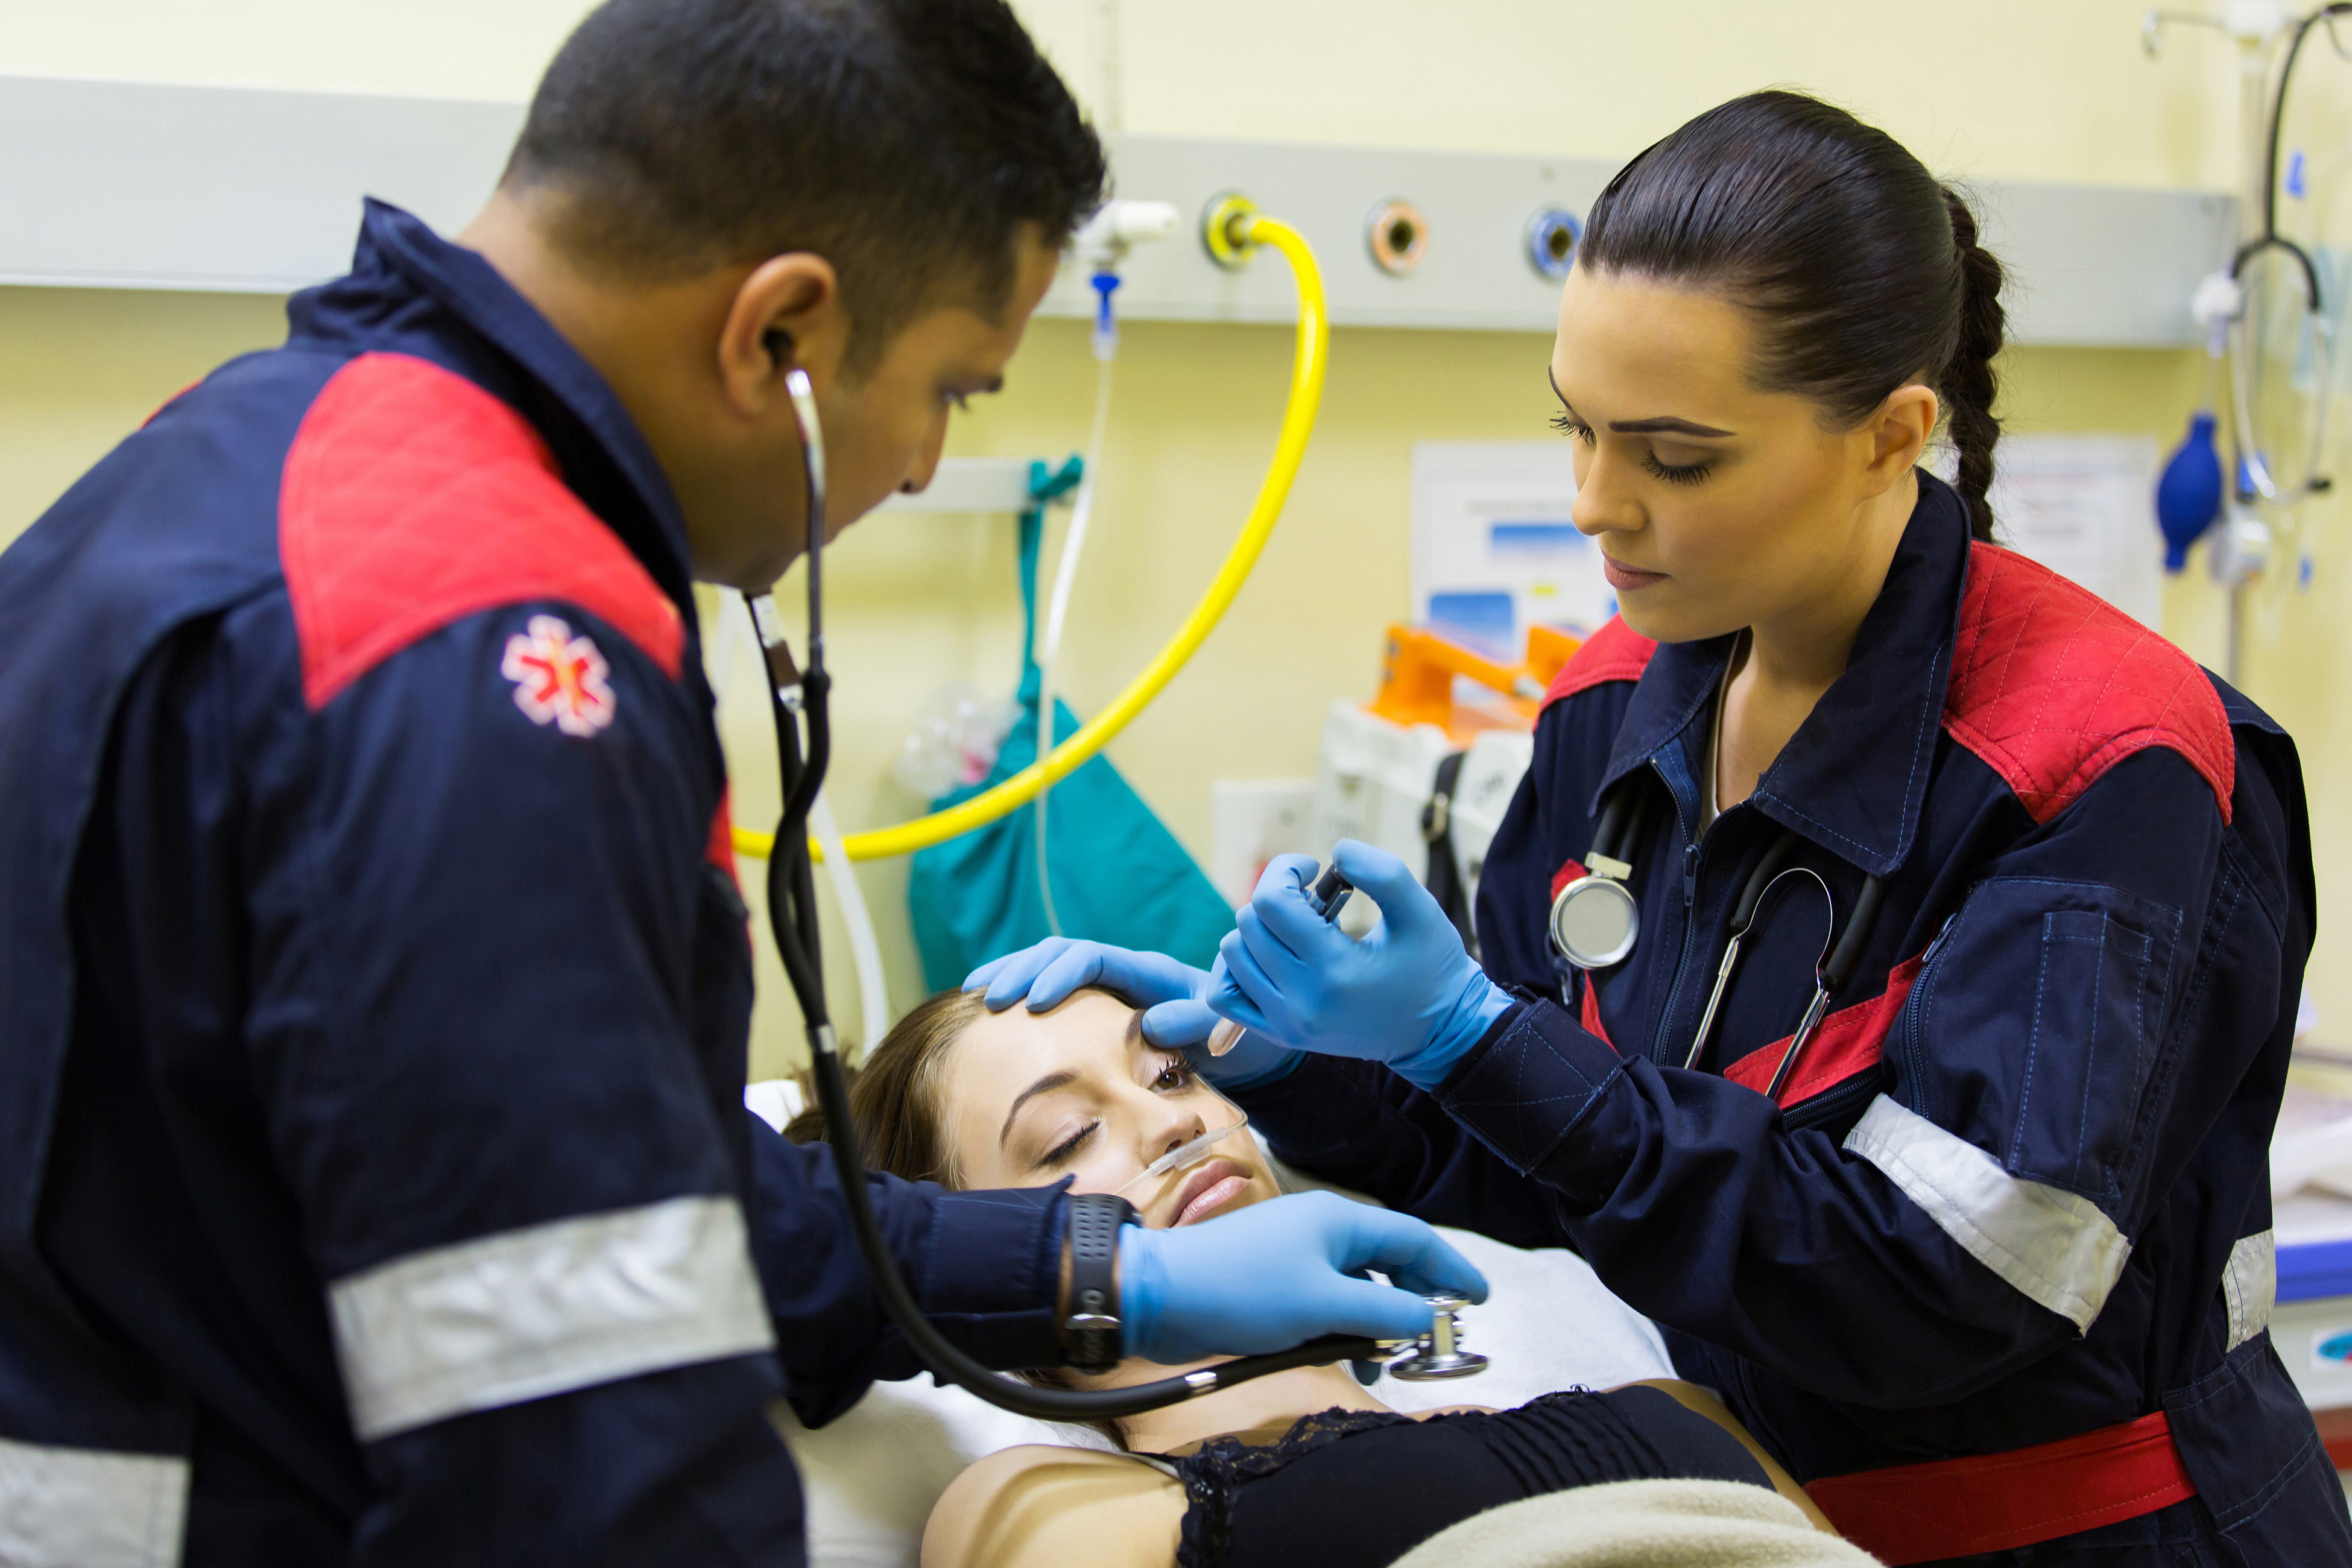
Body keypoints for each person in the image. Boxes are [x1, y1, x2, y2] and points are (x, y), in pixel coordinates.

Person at [0, 2, 1484, 1563]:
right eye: (951, 395)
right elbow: (591, 1405)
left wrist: (1108, 1272)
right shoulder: (485, 652)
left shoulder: (244, 461)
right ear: (780, 334)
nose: (920, 470)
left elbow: (645, 1193)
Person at [972, 91, 2352, 1566]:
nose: (1593, 505)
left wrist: (1473, 1038)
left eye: (1675, 458)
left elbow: (1939, 1293)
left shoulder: (2107, 764)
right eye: (1576, 427)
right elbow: (1535, 1156)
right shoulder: (1618, 704)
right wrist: (1293, 1059)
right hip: (1752, 1494)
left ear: (1893, 435)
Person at [786, 986, 1871, 1568]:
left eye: (1170, 1072)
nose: (1174, 1119)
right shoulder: (1034, 1512)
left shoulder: (1662, 1403)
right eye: (1067, 1139)